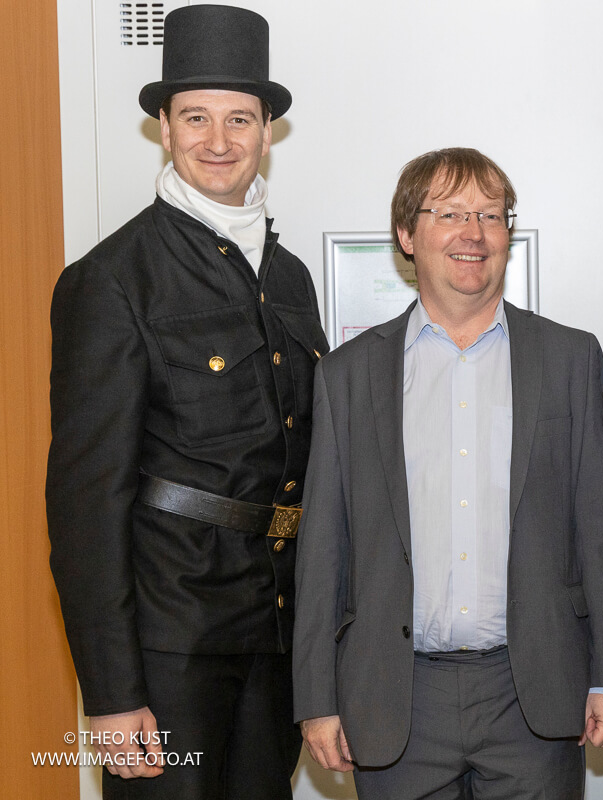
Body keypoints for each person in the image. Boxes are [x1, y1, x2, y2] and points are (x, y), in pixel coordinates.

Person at [46, 5, 326, 798]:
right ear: (164, 129)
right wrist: (111, 693)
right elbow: (86, 502)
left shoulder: (291, 277)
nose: (219, 140)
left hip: (276, 632)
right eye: (196, 117)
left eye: (240, 119)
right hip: (170, 644)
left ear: (267, 131)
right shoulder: (111, 280)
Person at [292, 147, 603, 800]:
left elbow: (597, 527)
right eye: (449, 214)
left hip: (533, 694)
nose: (473, 233)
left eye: (490, 215)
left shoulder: (569, 358)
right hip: (395, 697)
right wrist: (316, 697)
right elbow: (323, 547)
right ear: (406, 234)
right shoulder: (347, 375)